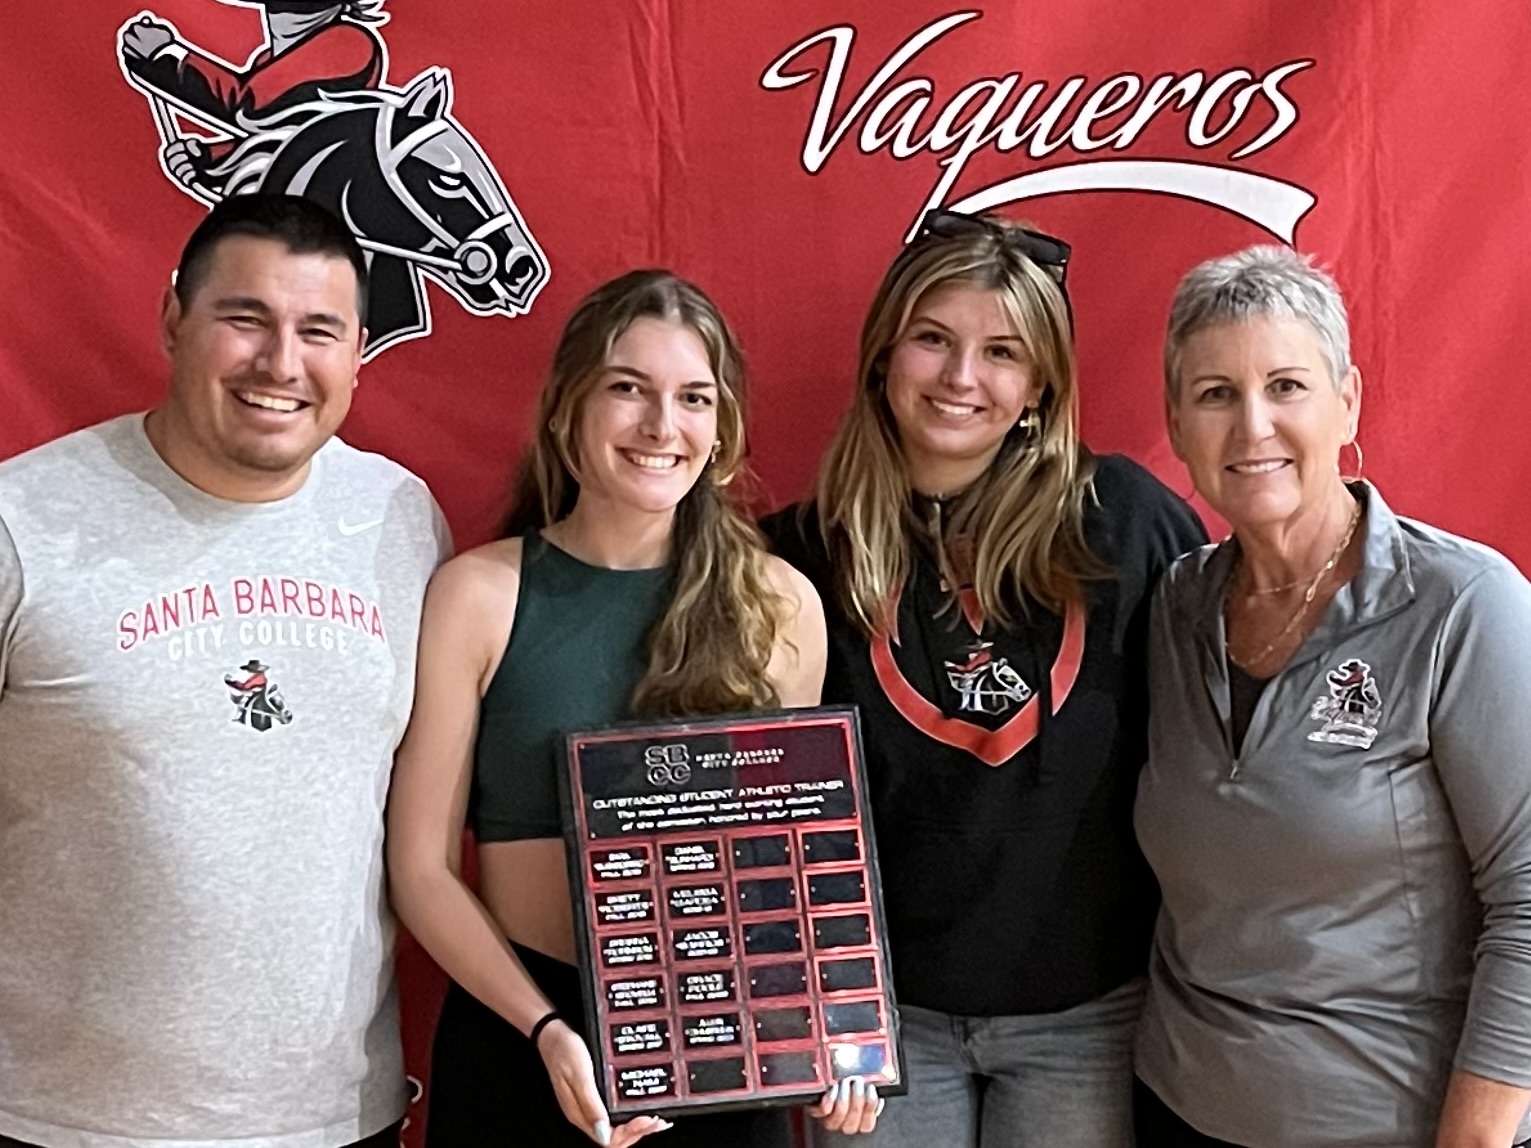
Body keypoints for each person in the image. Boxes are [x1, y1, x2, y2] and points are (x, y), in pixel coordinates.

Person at [386, 269, 882, 1147]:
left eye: (694, 397)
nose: (661, 426)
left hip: (727, 1060)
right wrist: (545, 1028)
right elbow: (421, 867)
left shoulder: (783, 607)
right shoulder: (481, 594)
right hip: (524, 1036)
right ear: (564, 410)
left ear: (722, 430)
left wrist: (824, 1040)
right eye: (627, 390)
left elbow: (794, 868)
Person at [0, 193, 450, 1148]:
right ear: (173, 319)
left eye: (318, 330)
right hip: (56, 1120)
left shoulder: (399, 520)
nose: (281, 364)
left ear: (360, 349)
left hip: (334, 1119)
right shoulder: (21, 523)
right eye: (245, 319)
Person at [763, 210, 1206, 1148]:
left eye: (1001, 351)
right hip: (883, 1025)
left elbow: (1219, 753)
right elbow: (765, 820)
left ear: (1041, 383)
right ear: (884, 356)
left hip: (1088, 1015)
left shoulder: (1125, 522)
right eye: (932, 339)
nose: (962, 378)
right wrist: (805, 1011)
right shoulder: (795, 557)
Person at [1134, 246, 1531, 1148]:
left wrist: (1473, 1142)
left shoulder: (1462, 605)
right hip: (1178, 1108)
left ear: (1345, 400)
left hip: (1397, 1123)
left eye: (1285, 387)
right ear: (1176, 422)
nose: (1252, 427)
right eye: (1214, 395)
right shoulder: (1172, 606)